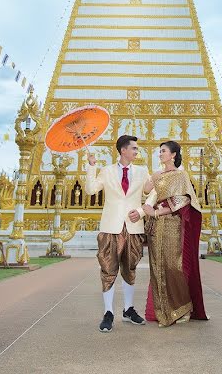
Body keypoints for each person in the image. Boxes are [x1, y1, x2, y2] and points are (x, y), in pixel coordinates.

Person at [86, 134, 153, 332]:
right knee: (108, 269)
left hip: (133, 226)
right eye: (133, 148)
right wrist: (91, 166)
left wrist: (141, 211)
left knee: (130, 268)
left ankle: (128, 309)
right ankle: (108, 312)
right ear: (123, 150)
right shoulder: (106, 171)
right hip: (111, 227)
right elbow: (90, 190)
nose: (136, 151)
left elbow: (153, 191)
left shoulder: (142, 172)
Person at [142, 141, 208, 327]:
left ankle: (183, 308)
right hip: (156, 227)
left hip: (172, 224)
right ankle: (163, 310)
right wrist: (152, 177)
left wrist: (155, 212)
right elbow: (146, 191)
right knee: (158, 266)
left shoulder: (180, 175)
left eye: (163, 151)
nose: (160, 154)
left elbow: (182, 200)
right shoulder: (158, 174)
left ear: (173, 155)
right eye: (159, 151)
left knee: (174, 265)